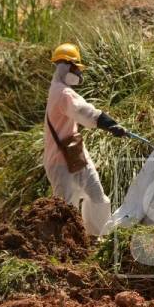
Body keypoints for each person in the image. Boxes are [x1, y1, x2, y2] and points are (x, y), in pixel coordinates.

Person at [44, 43, 127, 236]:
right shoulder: (63, 93)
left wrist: (108, 124)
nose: (78, 73)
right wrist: (108, 123)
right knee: (65, 208)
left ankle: (96, 237)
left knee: (97, 196)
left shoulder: (59, 89)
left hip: (75, 155)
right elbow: (83, 111)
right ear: (65, 66)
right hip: (59, 161)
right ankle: (65, 246)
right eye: (75, 68)